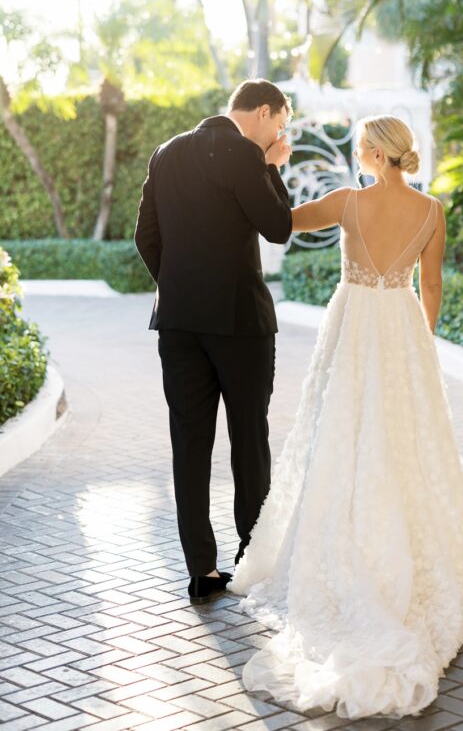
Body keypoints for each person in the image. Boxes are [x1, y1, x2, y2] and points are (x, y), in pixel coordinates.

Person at [229, 114, 463, 720]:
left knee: (340, 433)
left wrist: (270, 166)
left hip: (352, 328)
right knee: (405, 442)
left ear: (374, 152)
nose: (355, 153)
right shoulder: (431, 211)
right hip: (401, 329)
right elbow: (432, 286)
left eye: (358, 146)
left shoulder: (347, 202)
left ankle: (348, 534)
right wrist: (419, 341)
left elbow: (283, 224)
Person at [134, 79, 293, 604]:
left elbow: (145, 238)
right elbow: (277, 227)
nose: (279, 134)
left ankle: (201, 570)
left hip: (177, 323)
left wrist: (178, 289)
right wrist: (272, 165)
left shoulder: (166, 153)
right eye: (280, 125)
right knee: (249, 440)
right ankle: (250, 559)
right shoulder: (245, 154)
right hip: (239, 324)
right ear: (264, 113)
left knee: (190, 444)